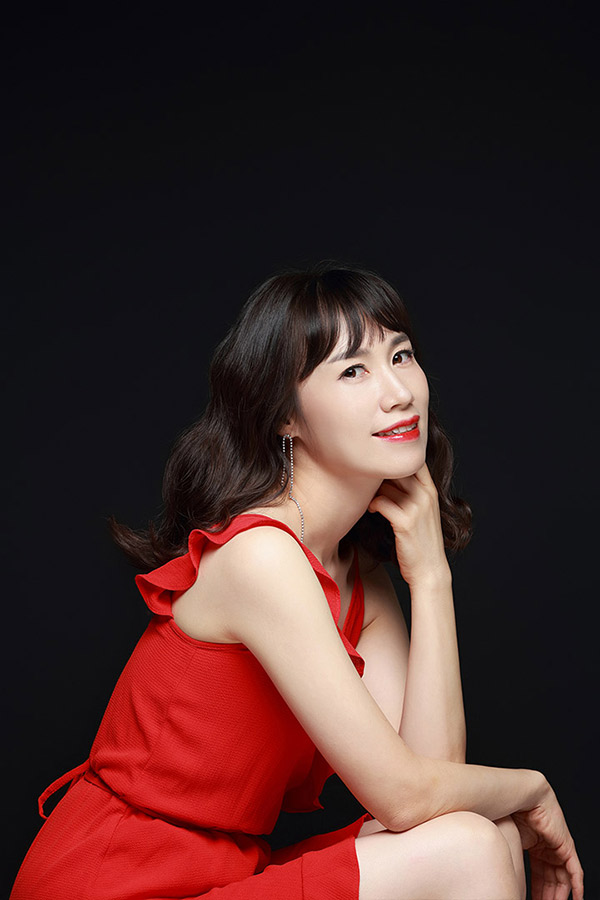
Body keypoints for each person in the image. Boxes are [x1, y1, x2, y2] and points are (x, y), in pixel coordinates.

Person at [11, 263, 583, 900]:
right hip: (112, 879)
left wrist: (430, 577)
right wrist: (533, 788)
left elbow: (433, 790)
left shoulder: (357, 574)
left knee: (483, 832)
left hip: (222, 876)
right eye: (353, 370)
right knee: (474, 844)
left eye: (401, 355)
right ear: (285, 416)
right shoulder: (260, 556)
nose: (399, 392)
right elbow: (405, 798)